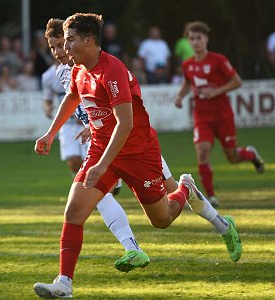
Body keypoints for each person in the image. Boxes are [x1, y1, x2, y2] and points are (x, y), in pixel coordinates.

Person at [33, 14, 242, 299]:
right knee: (74, 211)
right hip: (101, 149)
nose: (64, 47)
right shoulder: (80, 71)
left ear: (88, 41)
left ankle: (186, 188)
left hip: (138, 153)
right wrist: (49, 133)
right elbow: (72, 99)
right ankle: (64, 284)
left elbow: (126, 123)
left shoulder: (112, 71)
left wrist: (103, 165)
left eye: (69, 40)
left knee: (163, 219)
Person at [174, 21, 265, 208]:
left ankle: (251, 155)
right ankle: (211, 196)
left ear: (206, 39)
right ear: (189, 42)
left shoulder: (218, 60)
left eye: (199, 38)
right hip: (201, 116)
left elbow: (237, 81)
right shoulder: (187, 65)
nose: (196, 42)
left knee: (232, 157)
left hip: (222, 115)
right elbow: (188, 83)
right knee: (203, 151)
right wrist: (180, 96)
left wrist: (215, 92)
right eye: (192, 39)